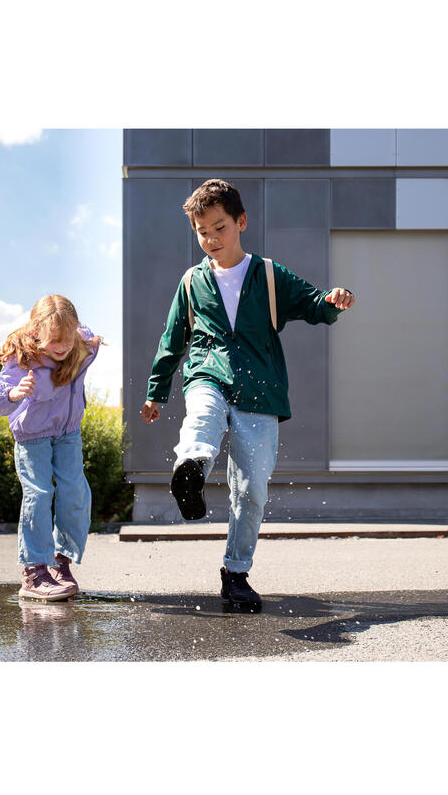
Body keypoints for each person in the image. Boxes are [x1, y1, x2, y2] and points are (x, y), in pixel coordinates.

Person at [141, 179, 355, 612]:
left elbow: (315, 305)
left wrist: (334, 301)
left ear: (241, 222)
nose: (211, 239)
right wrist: (156, 391)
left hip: (260, 389)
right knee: (201, 415)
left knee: (252, 489)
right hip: (208, 371)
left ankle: (235, 574)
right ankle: (192, 470)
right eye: (201, 232)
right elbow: (173, 339)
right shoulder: (192, 282)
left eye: (219, 228)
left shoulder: (270, 275)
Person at [0, 294, 102, 601]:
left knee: (75, 491)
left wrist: (67, 327)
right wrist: (13, 393)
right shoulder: (24, 358)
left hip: (68, 434)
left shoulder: (81, 345)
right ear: (37, 333)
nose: (61, 348)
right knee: (38, 493)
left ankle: (61, 563)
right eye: (53, 341)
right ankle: (34, 571)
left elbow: (77, 331)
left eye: (67, 338)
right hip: (32, 435)